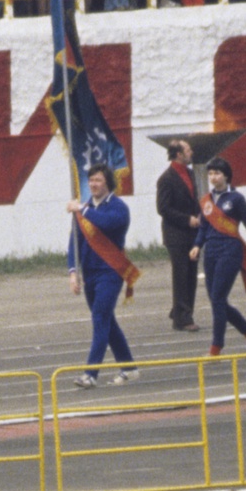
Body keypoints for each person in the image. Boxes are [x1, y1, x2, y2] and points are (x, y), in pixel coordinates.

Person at [65, 163, 139, 388]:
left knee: (99, 317)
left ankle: (91, 373)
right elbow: (74, 242)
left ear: (107, 182)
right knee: (107, 321)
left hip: (110, 272)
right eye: (91, 181)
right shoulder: (84, 209)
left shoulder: (118, 208)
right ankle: (129, 368)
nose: (93, 184)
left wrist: (81, 209)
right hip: (90, 274)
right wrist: (72, 271)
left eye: (98, 180)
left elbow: (106, 223)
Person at [190, 157, 246, 355]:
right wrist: (197, 246)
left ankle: (216, 346)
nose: (213, 177)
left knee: (218, 297)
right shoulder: (206, 200)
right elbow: (204, 227)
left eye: (217, 173)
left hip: (231, 251)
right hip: (211, 253)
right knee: (217, 301)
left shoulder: (236, 199)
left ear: (226, 175)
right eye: (210, 173)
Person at [155, 139, 200, 332]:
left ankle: (182, 310)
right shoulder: (166, 178)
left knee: (191, 275)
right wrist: (186, 219)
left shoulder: (190, 173)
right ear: (179, 154)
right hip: (176, 235)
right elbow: (163, 208)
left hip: (192, 233)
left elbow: (194, 199)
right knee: (181, 275)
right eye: (188, 150)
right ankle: (182, 319)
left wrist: (199, 215)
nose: (191, 153)